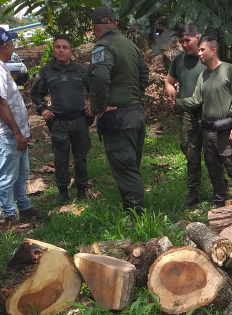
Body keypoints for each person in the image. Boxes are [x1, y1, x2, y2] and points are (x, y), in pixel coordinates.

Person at [173, 36, 232, 207]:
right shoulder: (203, 75)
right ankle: (220, 203)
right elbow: (195, 100)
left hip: (226, 129)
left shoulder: (229, 70)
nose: (199, 54)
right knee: (213, 169)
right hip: (207, 131)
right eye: (199, 50)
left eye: (202, 50)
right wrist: (177, 102)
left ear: (213, 51)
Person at [0, 27, 41, 224]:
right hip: (5, 133)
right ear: (6, 45)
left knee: (21, 172)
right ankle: (9, 214)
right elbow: (1, 103)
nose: (13, 47)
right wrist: (16, 133)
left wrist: (23, 131)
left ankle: (24, 206)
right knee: (8, 174)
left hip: (14, 132)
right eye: (12, 43)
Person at [88, 6, 149, 213]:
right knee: (131, 166)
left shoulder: (102, 47)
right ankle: (130, 211)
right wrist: (134, 96)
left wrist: (99, 108)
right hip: (136, 113)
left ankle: (138, 220)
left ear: (94, 26)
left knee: (126, 169)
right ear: (114, 24)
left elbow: (101, 77)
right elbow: (144, 72)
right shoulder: (130, 45)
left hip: (118, 117)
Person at [31, 34, 93, 203]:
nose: (61, 50)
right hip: (59, 122)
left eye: (65, 47)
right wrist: (42, 109)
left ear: (70, 50)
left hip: (80, 120)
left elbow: (95, 89)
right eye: (58, 47)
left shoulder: (81, 70)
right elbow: (36, 93)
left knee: (81, 157)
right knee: (61, 159)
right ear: (53, 49)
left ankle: (81, 189)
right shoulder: (46, 71)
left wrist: (92, 105)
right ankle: (62, 191)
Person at [165, 23, 207, 206]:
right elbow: (168, 81)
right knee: (190, 152)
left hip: (208, 112)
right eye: (182, 41)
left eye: (188, 40)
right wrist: (170, 91)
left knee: (213, 153)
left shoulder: (206, 57)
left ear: (197, 38)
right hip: (187, 113)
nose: (184, 44)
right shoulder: (178, 60)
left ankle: (220, 188)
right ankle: (193, 192)